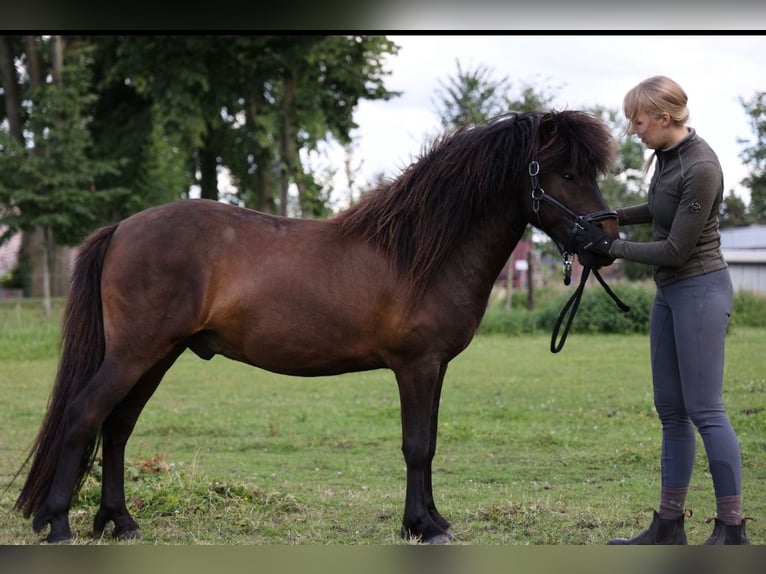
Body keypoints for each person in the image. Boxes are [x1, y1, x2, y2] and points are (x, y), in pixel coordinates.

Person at [574, 75, 749, 545]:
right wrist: (603, 218)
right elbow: (658, 207)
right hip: (671, 294)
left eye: (638, 119)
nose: (633, 128)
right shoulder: (666, 158)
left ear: (663, 118)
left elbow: (674, 249)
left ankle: (732, 529)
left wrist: (612, 245)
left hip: (700, 289)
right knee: (671, 410)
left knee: (705, 409)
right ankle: (670, 525)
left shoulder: (703, 166)